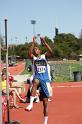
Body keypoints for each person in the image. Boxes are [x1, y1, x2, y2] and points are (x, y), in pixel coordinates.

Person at [25, 36, 53, 124]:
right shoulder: (34, 59)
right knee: (35, 81)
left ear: (40, 51)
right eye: (34, 50)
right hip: (38, 78)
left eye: (37, 49)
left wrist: (45, 43)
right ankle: (31, 104)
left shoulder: (44, 57)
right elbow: (29, 53)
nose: (35, 50)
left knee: (45, 103)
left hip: (45, 80)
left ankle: (45, 122)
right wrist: (33, 43)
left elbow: (51, 52)